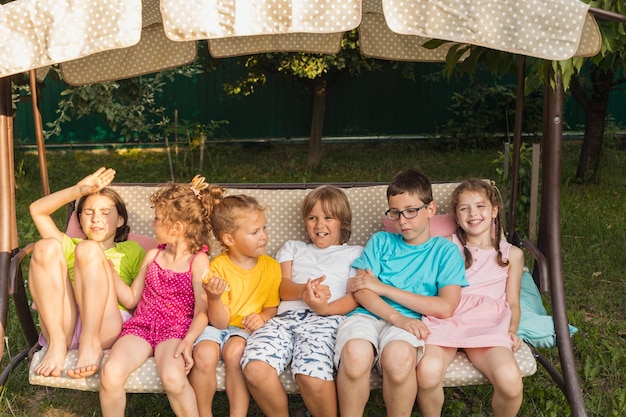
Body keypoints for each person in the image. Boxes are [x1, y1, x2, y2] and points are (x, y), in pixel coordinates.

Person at [334, 168, 468, 417]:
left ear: (430, 209)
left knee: (399, 360)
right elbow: (361, 292)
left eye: (410, 211)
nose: (402, 220)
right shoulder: (381, 241)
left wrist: (382, 288)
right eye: (395, 213)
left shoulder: (445, 252)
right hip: (368, 315)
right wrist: (396, 317)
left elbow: (445, 307)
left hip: (412, 322)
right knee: (355, 355)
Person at [98, 175, 224, 417]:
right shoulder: (153, 256)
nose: (153, 224)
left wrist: (188, 341)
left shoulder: (198, 262)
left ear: (176, 228)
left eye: (157, 219)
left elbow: (201, 311)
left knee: (173, 377)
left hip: (176, 330)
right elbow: (132, 299)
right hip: (142, 326)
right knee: (110, 372)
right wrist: (110, 273)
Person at [242, 185, 364, 417]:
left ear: (343, 222)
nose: (319, 225)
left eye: (328, 217)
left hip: (326, 320)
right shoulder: (293, 248)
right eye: (312, 218)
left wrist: (324, 307)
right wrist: (303, 293)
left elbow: (354, 298)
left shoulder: (355, 253)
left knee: (310, 376)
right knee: (256, 369)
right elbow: (281, 286)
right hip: (283, 320)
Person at [416, 178, 524, 417]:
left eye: (480, 206)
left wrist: (512, 330)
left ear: (494, 210)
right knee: (427, 372)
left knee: (510, 380)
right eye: (464, 208)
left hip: (488, 324)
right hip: (447, 318)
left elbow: (513, 302)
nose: (473, 213)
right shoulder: (446, 245)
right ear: (456, 216)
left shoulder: (511, 255)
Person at [28, 167, 145, 378]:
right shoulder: (70, 245)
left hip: (104, 327)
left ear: (120, 221)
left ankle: (90, 344)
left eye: (105, 213)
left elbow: (135, 300)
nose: (96, 219)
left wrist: (109, 273)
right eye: (88, 213)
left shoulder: (132, 251)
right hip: (65, 325)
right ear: (79, 219)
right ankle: (56, 345)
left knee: (89, 249)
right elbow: (37, 210)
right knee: (44, 247)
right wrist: (79, 190)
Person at [189, 194, 282, 417]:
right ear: (229, 239)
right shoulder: (217, 267)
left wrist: (263, 318)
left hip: (245, 330)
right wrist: (213, 298)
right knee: (203, 354)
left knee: (235, 352)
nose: (263, 237)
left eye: (263, 228)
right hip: (217, 326)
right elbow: (219, 323)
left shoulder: (271, 267)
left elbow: (271, 307)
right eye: (254, 232)